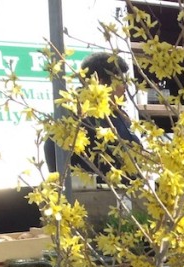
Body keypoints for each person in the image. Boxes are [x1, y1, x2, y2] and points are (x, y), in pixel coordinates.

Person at [47, 52, 142, 182]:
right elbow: (52, 148)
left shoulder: (118, 114)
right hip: (97, 195)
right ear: (100, 83)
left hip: (128, 193)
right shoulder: (80, 114)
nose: (125, 86)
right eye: (120, 80)